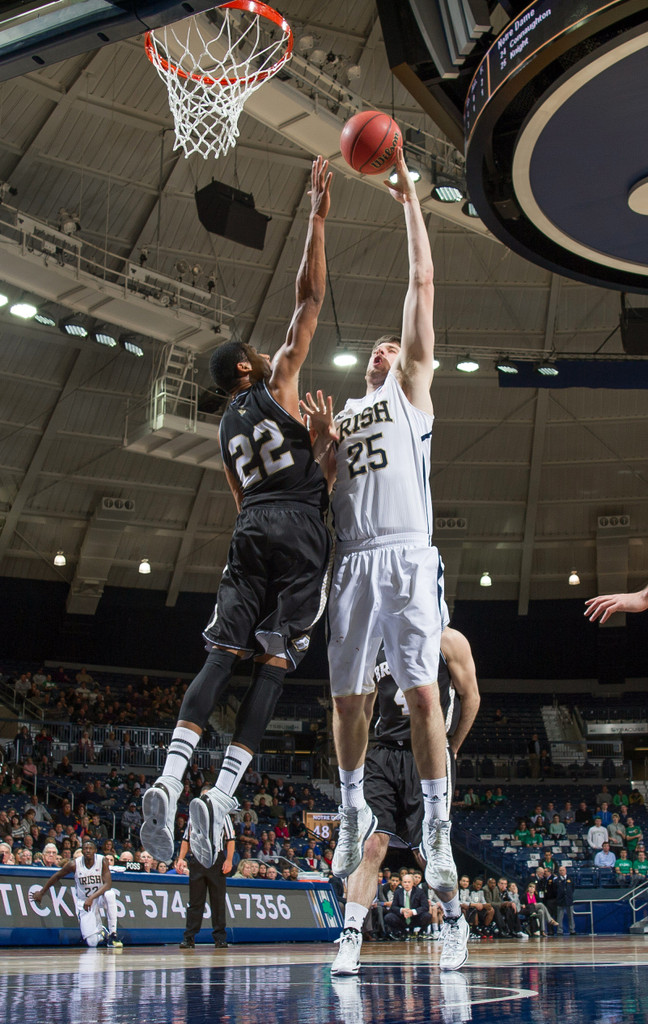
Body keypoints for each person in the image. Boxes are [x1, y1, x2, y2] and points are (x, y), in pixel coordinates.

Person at [140, 156, 333, 867]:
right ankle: (220, 796)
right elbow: (309, 300)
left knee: (219, 656)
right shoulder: (279, 382)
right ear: (247, 369)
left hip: (248, 527)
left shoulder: (224, 431)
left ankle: (167, 776)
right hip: (297, 529)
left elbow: (241, 499)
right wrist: (315, 218)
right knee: (275, 666)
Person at [303, 148, 453, 905]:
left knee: (424, 697)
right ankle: (353, 803)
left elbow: (421, 284)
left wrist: (407, 201)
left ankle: (436, 828)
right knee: (346, 701)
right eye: (381, 347)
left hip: (404, 557)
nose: (387, 347)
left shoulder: (410, 398)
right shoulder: (351, 414)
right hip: (352, 559)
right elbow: (329, 490)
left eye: (396, 347)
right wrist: (322, 452)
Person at [330, 625, 479, 975]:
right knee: (369, 843)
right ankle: (351, 934)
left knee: (426, 850)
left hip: (426, 753)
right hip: (382, 753)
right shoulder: (375, 639)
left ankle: (455, 921)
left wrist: (452, 747)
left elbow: (470, 696)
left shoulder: (449, 639)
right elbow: (363, 703)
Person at [31, 838, 122, 947]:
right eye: (85, 848)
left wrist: (92, 898)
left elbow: (108, 884)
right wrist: (42, 892)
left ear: (95, 851)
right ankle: (102, 933)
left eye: (90, 848)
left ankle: (113, 934)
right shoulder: (74, 864)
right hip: (84, 902)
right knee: (92, 943)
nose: (88, 850)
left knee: (110, 894)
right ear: (82, 851)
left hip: (98, 897)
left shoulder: (102, 861)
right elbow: (57, 876)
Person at [177, 791, 235, 949]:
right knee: (195, 901)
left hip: (217, 860)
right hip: (197, 859)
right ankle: (189, 937)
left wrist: (229, 860)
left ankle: (220, 937)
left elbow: (230, 839)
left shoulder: (223, 815)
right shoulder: (193, 817)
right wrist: (181, 858)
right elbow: (186, 839)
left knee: (218, 901)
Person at [383, 873, 431, 939]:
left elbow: (425, 907)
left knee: (427, 915)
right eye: (405, 882)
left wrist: (413, 912)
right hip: (402, 918)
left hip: (415, 917)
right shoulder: (398, 892)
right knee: (389, 917)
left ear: (412, 883)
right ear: (402, 883)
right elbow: (393, 907)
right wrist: (402, 910)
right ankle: (403, 932)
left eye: (409, 882)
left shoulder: (420, 892)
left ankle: (420, 933)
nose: (407, 884)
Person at [554, 865, 576, 935]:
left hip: (568, 900)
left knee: (571, 916)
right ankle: (559, 931)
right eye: (560, 870)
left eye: (563, 870)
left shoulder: (570, 879)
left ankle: (572, 930)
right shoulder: (556, 880)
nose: (562, 872)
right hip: (560, 900)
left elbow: (572, 888)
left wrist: (569, 895)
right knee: (560, 916)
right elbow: (554, 890)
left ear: (565, 871)